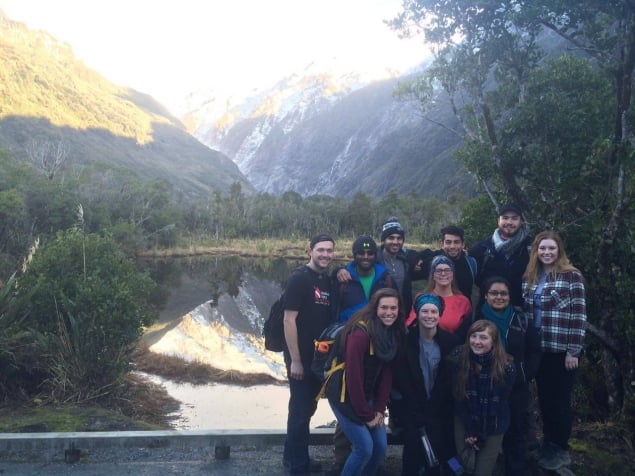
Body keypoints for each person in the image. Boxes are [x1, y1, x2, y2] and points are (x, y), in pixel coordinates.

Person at [522, 231, 586, 471]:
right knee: (544, 400)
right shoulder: (530, 276)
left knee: (559, 402)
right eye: (542, 249)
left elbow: (579, 315)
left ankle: (559, 447)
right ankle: (546, 444)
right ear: (536, 252)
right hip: (537, 349)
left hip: (561, 350)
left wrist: (574, 350)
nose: (546, 253)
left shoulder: (572, 276)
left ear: (559, 251)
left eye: (551, 248)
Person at [327, 287, 405, 476]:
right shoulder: (360, 334)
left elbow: (386, 374)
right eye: (384, 308)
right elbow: (353, 377)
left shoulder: (391, 333)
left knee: (379, 448)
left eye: (393, 308)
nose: (389, 313)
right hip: (344, 395)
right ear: (375, 309)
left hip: (367, 394)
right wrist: (367, 415)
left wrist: (379, 409)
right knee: (364, 448)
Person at [476, 276, 541, 476]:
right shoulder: (477, 319)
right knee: (485, 430)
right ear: (486, 295)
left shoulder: (520, 319)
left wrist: (524, 374)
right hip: (484, 384)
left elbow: (534, 350)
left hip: (516, 386)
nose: (499, 297)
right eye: (494, 293)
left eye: (503, 293)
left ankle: (515, 470)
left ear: (510, 296)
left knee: (516, 432)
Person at [282, 233, 336, 475]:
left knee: (306, 409)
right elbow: (288, 319)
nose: (325, 254)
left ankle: (292, 457)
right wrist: (295, 360)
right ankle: (298, 467)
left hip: (318, 359)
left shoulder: (325, 279)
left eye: (329, 251)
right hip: (300, 358)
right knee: (301, 411)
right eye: (320, 250)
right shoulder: (299, 279)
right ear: (309, 251)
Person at [393, 293, 460, 476]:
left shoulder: (451, 342)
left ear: (440, 315)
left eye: (433, 311)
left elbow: (451, 380)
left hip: (440, 409)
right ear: (417, 313)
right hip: (413, 410)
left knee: (441, 454)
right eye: (425, 311)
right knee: (413, 454)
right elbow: (401, 379)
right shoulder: (405, 342)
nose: (429, 316)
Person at [450, 320, 516, 476]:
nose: (477, 342)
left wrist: (481, 434)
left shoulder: (506, 366)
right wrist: (471, 430)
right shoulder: (458, 359)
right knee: (464, 465)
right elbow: (458, 398)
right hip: (465, 416)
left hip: (494, 421)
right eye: (473, 336)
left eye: (483, 338)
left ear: (493, 341)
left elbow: (500, 403)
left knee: (482, 471)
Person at [469, 204, 532, 307]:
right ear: (498, 220)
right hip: (487, 314)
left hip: (521, 313)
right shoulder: (480, 249)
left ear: (521, 222)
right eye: (505, 218)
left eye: (514, 218)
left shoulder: (531, 248)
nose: (509, 222)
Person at [407, 255, 472, 341]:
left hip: (451, 348)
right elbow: (411, 323)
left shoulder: (463, 301)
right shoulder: (423, 297)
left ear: (453, 275)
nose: (443, 273)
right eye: (438, 270)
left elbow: (467, 332)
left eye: (447, 270)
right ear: (433, 275)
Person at [335, 235, 396, 323]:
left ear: (375, 255)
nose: (366, 256)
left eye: (370, 253)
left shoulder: (386, 280)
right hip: (348, 332)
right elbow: (333, 312)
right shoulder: (342, 279)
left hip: (380, 333)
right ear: (354, 255)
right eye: (361, 253)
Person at [419, 225, 478, 302]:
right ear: (442, 245)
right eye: (448, 242)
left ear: (463, 244)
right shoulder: (433, 261)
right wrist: (415, 259)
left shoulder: (471, 263)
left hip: (464, 310)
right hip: (437, 311)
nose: (452, 246)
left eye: (456, 242)